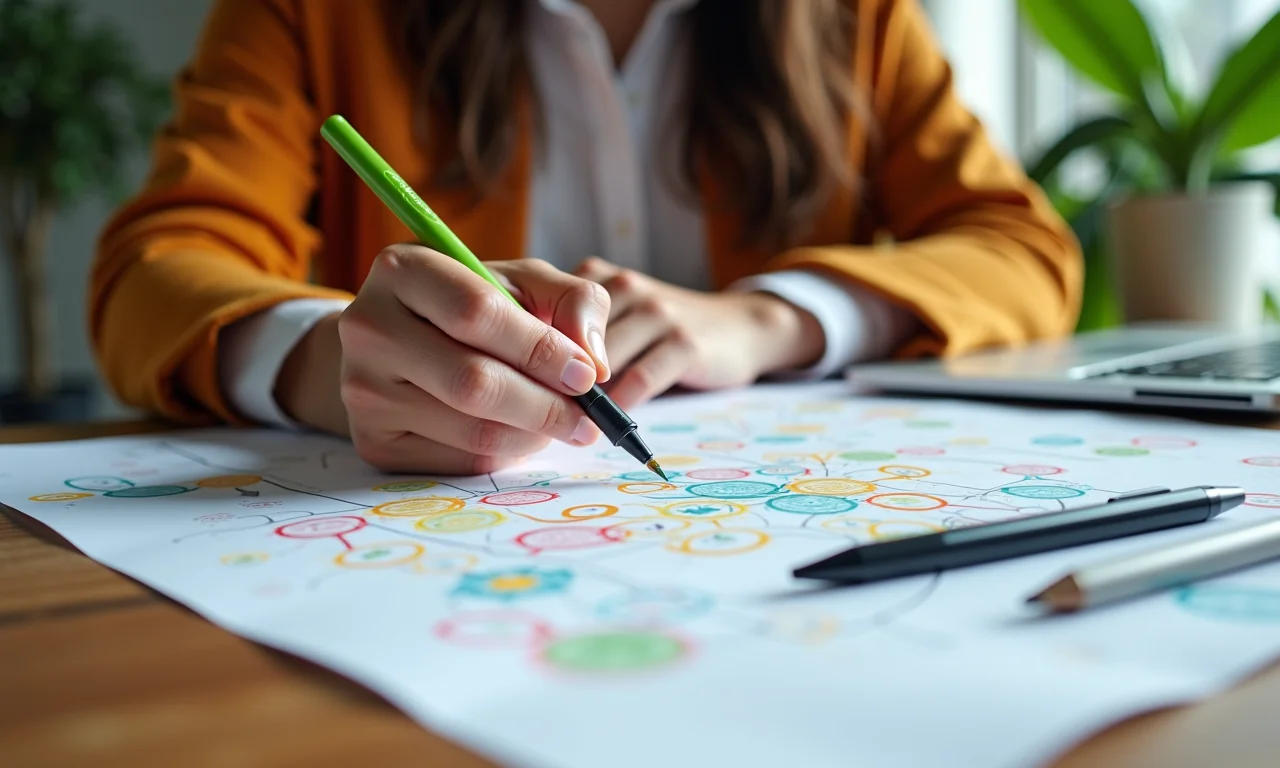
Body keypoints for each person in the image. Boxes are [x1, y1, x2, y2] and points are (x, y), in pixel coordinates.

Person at [90, 0, 1081, 475]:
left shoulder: (852, 17)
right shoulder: (316, 15)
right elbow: (152, 272)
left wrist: (772, 318)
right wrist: (329, 362)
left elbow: (1018, 247)